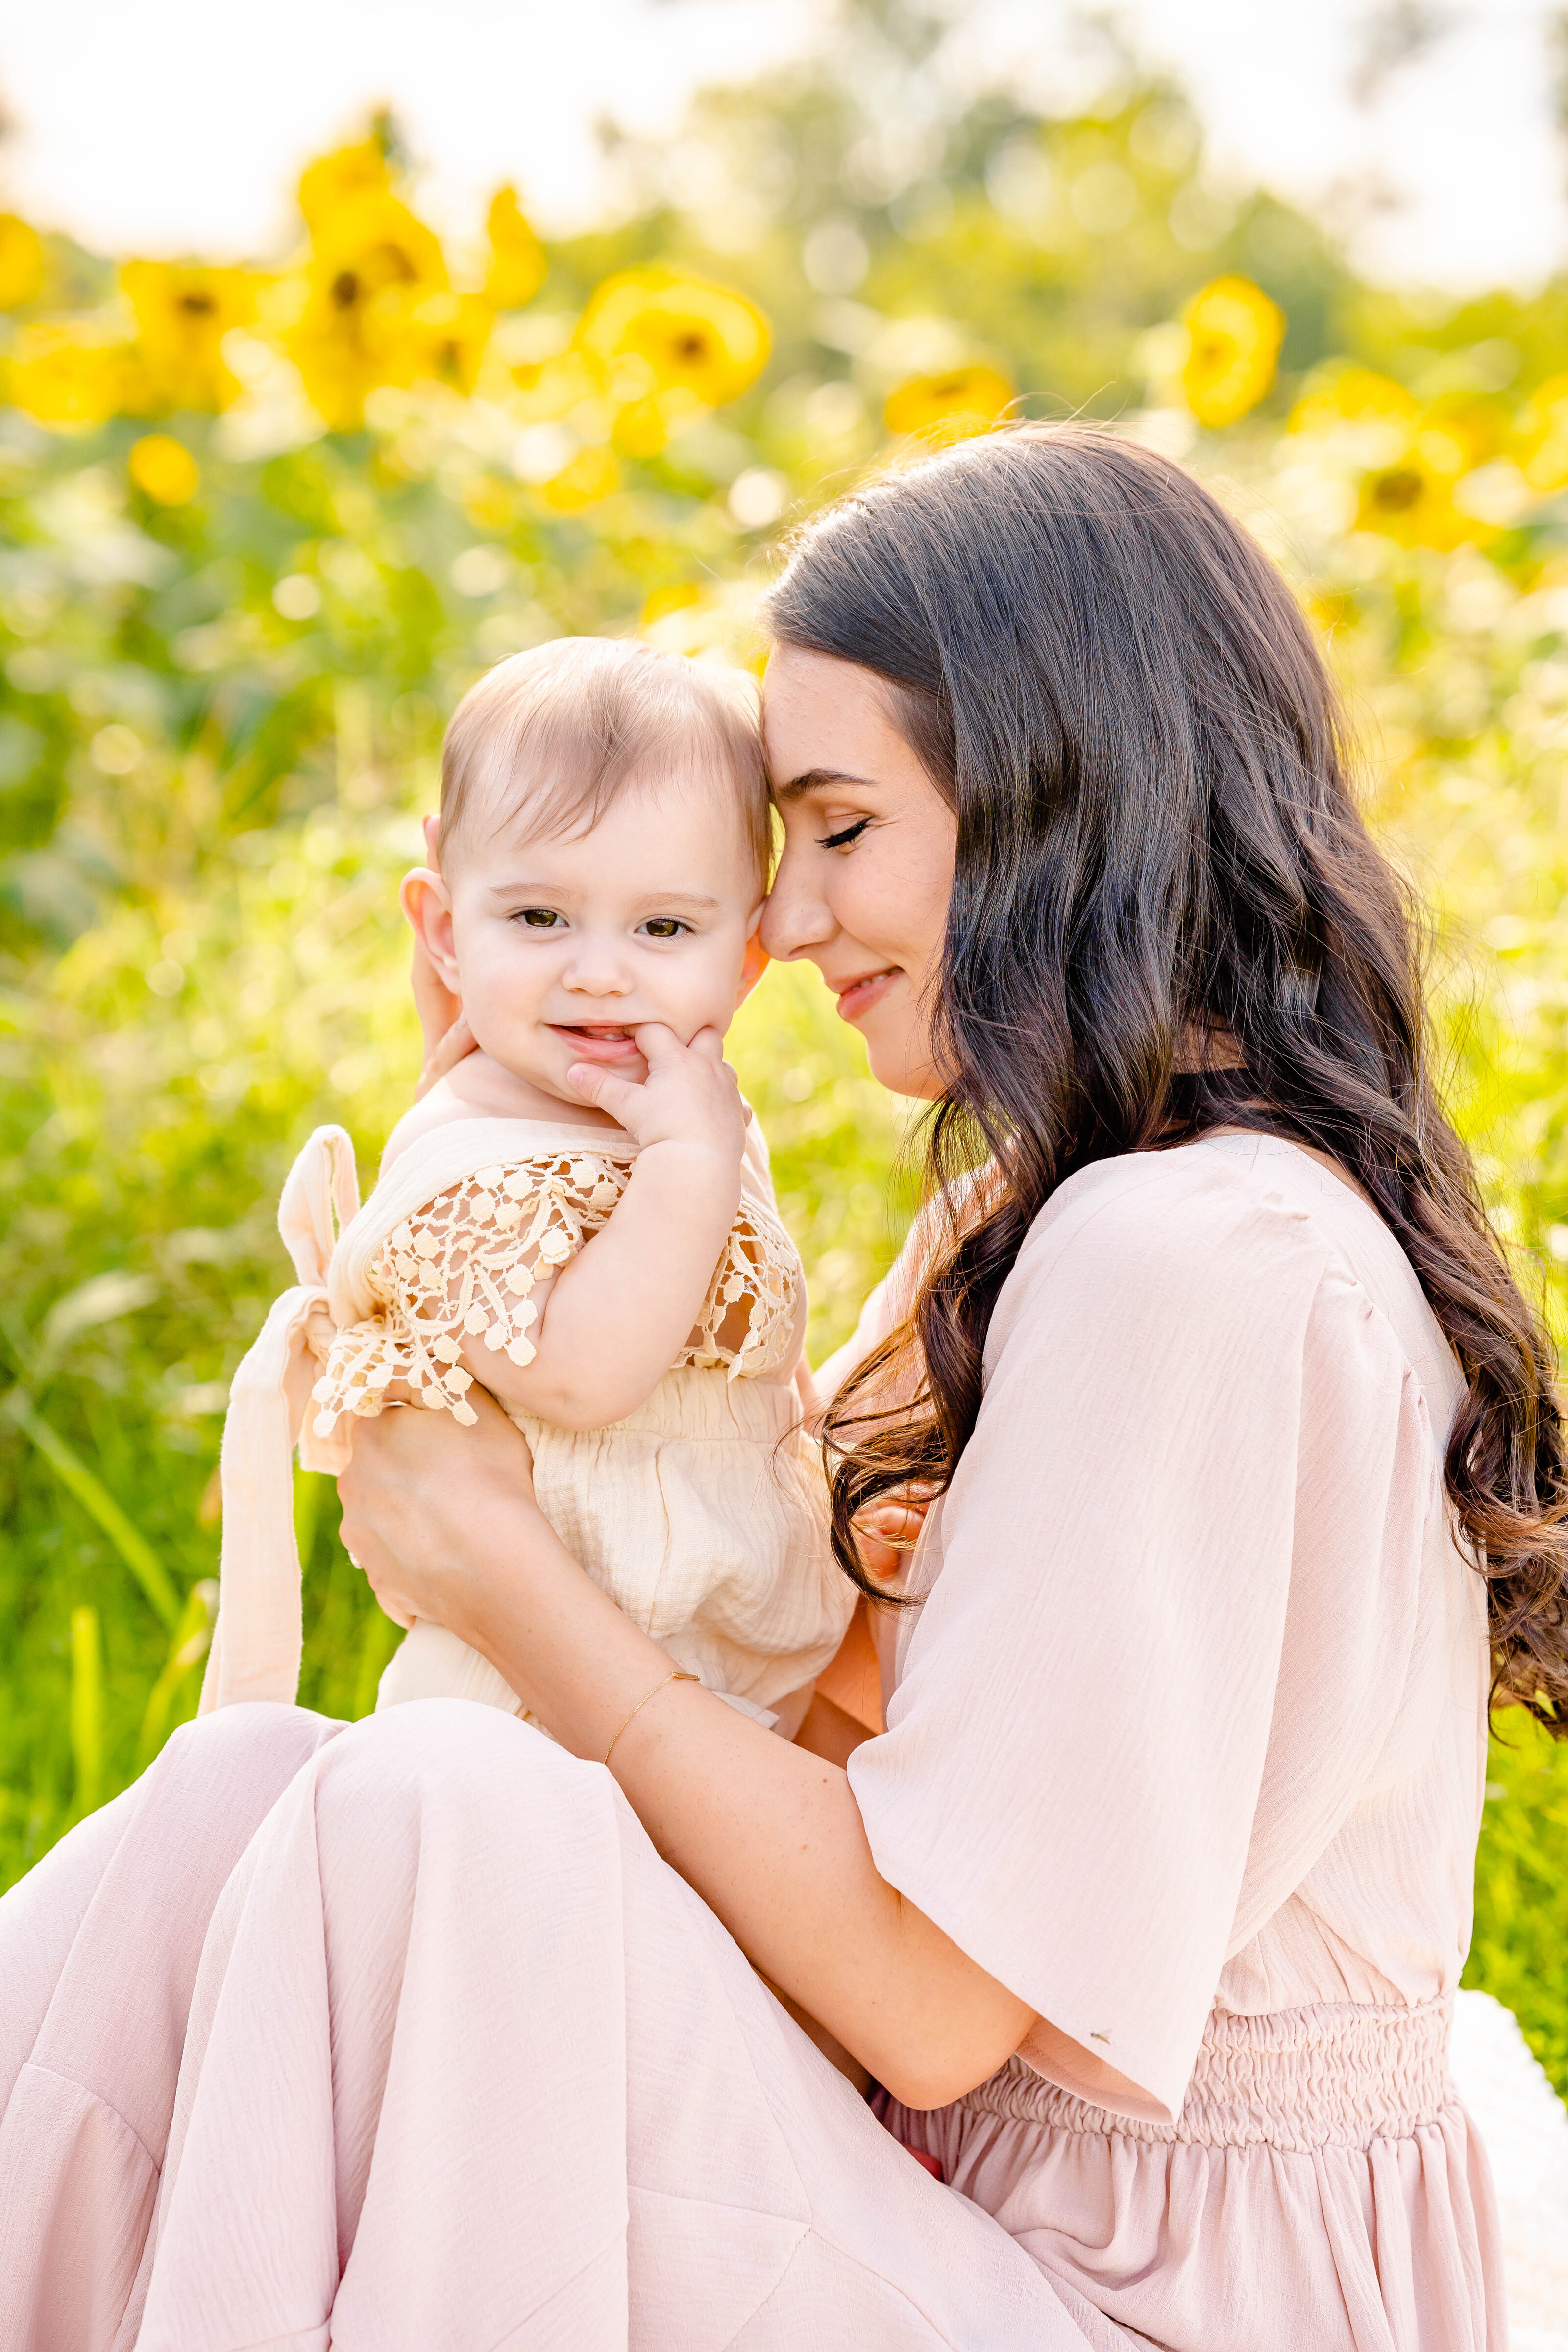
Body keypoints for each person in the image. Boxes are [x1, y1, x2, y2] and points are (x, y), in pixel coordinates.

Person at [4, 422, 1564, 2350]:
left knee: (439, 1817)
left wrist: (509, 1581)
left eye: (834, 830)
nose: (785, 928)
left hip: (1138, 2300)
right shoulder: (1052, 1205)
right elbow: (782, 1689)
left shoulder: (1187, 1262)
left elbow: (921, 2000)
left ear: (1049, 792)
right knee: (253, 1780)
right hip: (944, 2185)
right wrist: (478, 1123)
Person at [206, 635, 849, 1738]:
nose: (596, 969)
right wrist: (689, 1164)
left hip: (724, 1696)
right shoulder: (474, 1165)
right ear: (448, 933)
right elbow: (585, 1374)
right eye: (538, 918)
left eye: (662, 927)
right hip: (529, 1721)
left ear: (743, 961)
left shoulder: (672, 1117)